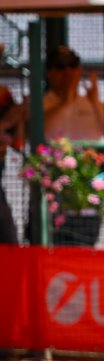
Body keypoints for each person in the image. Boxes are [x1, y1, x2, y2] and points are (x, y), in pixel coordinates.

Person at [38, 44, 104, 247]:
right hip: (52, 198)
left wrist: (95, 102)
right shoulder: (42, 103)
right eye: (60, 67)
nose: (67, 72)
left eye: (72, 65)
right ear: (49, 73)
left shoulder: (91, 103)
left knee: (84, 249)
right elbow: (37, 131)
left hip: (87, 196)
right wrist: (65, 101)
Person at [0, 84, 21, 244]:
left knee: (9, 242)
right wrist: (7, 122)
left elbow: (18, 143)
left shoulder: (4, 93)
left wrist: (21, 116)